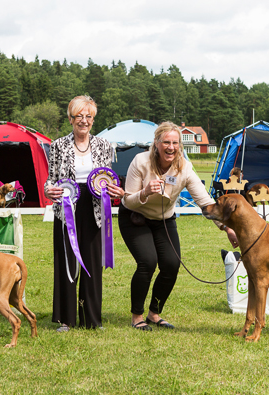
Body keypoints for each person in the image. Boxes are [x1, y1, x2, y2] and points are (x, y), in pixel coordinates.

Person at [118, 121, 239, 331]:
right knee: (147, 261)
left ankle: (154, 314)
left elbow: (205, 203)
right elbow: (128, 200)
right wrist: (145, 192)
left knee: (171, 265)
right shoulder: (140, 162)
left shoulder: (184, 167)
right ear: (156, 143)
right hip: (135, 217)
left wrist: (227, 228)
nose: (171, 147)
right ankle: (137, 316)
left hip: (164, 220)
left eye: (175, 143)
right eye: (166, 142)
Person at [44, 95, 124, 332]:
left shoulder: (103, 145)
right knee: (67, 260)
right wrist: (49, 190)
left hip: (95, 207)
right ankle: (66, 319)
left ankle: (91, 318)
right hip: (67, 206)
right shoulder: (58, 146)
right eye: (79, 116)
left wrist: (112, 189)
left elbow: (106, 176)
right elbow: (50, 178)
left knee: (92, 261)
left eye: (88, 116)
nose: (84, 121)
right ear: (70, 118)